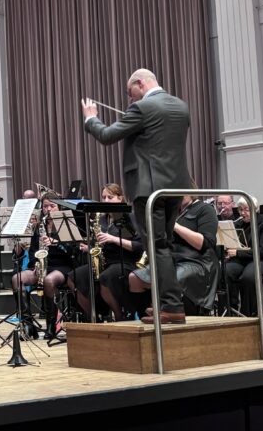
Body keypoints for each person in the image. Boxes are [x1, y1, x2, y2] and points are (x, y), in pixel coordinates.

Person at [82, 68, 190, 324]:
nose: (130, 98)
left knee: (156, 246)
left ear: (140, 83)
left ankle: (172, 306)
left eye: (130, 92)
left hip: (148, 188)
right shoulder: (180, 106)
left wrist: (91, 118)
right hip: (175, 186)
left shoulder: (142, 108)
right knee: (164, 245)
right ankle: (167, 303)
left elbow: (107, 135)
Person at [118, 193, 219, 317]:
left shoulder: (205, 209)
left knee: (172, 278)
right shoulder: (172, 211)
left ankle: (169, 310)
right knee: (134, 278)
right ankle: (147, 316)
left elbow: (204, 243)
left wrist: (175, 226)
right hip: (171, 259)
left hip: (197, 261)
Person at [71, 183, 142, 320]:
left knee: (105, 277)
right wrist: (90, 248)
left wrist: (113, 239)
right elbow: (99, 245)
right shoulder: (102, 218)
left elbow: (138, 246)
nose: (106, 200)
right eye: (104, 197)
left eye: (110, 197)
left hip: (125, 261)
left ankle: (119, 316)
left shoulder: (129, 217)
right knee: (73, 277)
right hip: (105, 262)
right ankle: (93, 317)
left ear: (120, 198)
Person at [10, 192, 74, 337]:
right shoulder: (40, 226)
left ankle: (51, 326)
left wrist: (56, 243)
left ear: (59, 207)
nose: (49, 209)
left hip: (61, 265)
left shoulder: (65, 224)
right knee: (16, 279)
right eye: (45, 206)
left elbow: (73, 250)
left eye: (52, 206)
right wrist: (35, 265)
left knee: (49, 280)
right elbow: (33, 250)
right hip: (42, 266)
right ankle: (28, 324)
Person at [223, 198, 263, 317]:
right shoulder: (237, 224)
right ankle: (231, 310)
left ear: (255, 209)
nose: (243, 213)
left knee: (248, 277)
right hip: (242, 260)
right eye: (241, 210)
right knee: (226, 272)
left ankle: (249, 313)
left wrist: (238, 253)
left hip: (260, 260)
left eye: (246, 210)